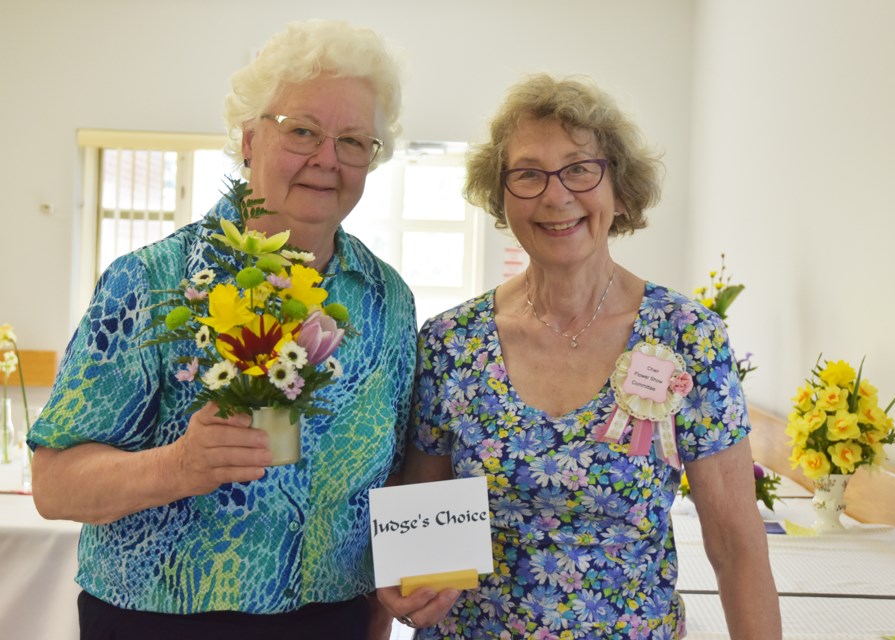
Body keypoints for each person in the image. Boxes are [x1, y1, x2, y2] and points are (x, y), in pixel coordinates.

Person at [29, 20, 417, 640]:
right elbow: (52, 484)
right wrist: (178, 466)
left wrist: (394, 606)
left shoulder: (386, 300)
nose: (327, 158)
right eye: (302, 132)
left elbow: (393, 478)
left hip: (331, 622)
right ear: (248, 140)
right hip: (159, 621)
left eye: (353, 141)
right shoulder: (150, 283)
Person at [378, 74, 782, 638]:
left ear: (619, 187)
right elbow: (425, 503)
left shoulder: (687, 336)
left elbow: (737, 546)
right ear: (502, 197)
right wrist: (416, 579)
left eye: (579, 168)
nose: (555, 195)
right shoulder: (452, 341)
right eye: (528, 174)